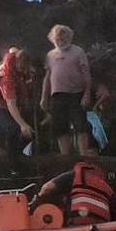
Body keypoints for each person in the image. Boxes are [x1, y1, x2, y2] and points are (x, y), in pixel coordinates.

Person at [41, 24, 94, 155]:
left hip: (76, 93)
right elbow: (47, 77)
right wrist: (44, 97)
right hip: (58, 95)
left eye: (64, 38)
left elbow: (86, 74)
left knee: (80, 125)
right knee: (60, 126)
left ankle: (84, 155)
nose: (62, 41)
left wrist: (87, 94)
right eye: (58, 39)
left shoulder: (78, 51)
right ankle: (65, 157)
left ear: (70, 37)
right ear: (53, 39)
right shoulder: (50, 55)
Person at [0, 48, 36, 157]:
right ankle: (12, 161)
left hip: (16, 100)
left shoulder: (18, 60)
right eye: (22, 68)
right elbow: (10, 103)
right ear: (16, 63)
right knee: (14, 128)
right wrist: (22, 125)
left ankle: (19, 154)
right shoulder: (6, 78)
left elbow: (13, 49)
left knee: (31, 131)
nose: (24, 71)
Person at [31, 160, 116, 225]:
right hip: (102, 229)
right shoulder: (105, 185)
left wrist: (37, 200)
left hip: (78, 226)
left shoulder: (74, 175)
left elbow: (46, 188)